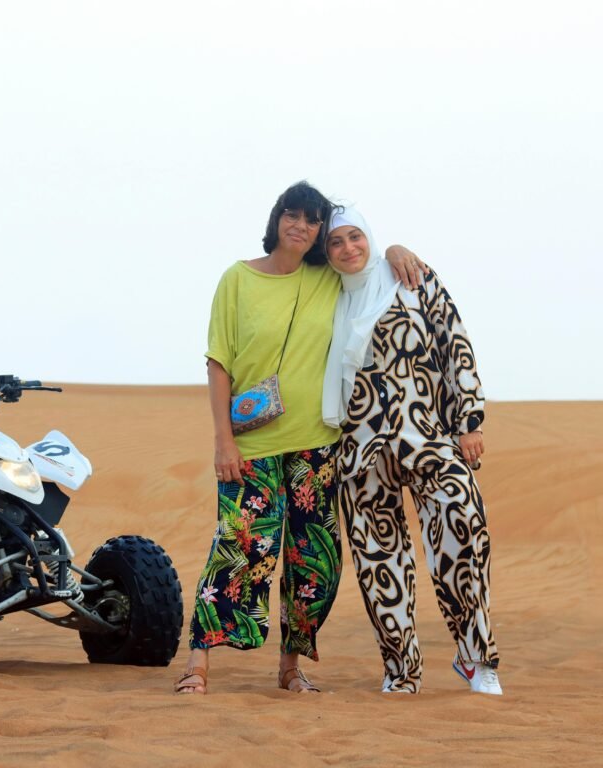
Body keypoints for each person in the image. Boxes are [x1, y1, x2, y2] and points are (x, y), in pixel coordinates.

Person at [174, 183, 424, 695]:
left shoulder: (326, 277)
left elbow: (366, 265)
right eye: (293, 215)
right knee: (241, 548)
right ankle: (197, 664)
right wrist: (224, 441)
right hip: (252, 444)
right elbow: (218, 361)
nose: (301, 226)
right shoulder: (237, 279)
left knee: (313, 559)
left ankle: (290, 668)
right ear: (277, 219)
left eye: (313, 221)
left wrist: (395, 247)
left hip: (318, 443)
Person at [321, 206, 501, 695]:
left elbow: (454, 344)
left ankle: (476, 658)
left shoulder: (410, 277)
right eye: (335, 243)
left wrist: (469, 420)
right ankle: (401, 670)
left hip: (426, 435)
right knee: (380, 563)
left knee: (463, 524)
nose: (348, 249)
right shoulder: (324, 296)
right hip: (357, 448)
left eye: (355, 236)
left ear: (370, 236)